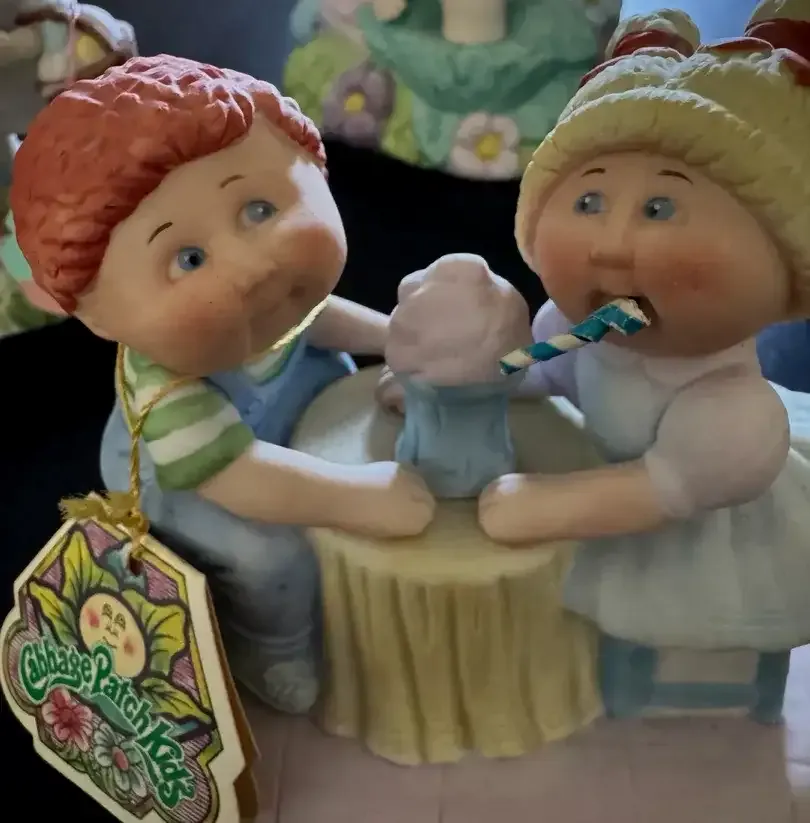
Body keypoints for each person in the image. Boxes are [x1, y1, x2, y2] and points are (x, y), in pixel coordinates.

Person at [10, 54, 435, 713]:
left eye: (260, 209)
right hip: (192, 482)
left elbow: (316, 318)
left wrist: (395, 338)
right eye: (188, 259)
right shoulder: (167, 386)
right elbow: (240, 478)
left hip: (292, 423)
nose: (248, 266)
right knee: (274, 554)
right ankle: (271, 646)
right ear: (97, 314)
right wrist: (360, 497)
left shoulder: (270, 309)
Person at [477, 1, 810, 652]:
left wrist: (543, 505)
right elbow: (542, 371)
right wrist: (477, 380)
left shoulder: (733, 415)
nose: (611, 245)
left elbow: (661, 488)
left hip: (690, 538)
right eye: (589, 200)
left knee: (652, 656)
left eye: (660, 208)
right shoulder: (573, 325)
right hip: (603, 469)